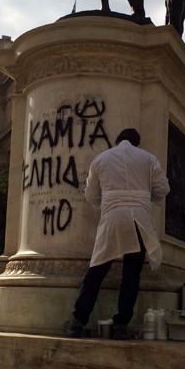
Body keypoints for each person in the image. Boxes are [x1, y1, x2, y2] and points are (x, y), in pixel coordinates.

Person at [63, 128, 170, 339]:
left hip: (112, 217)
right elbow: (163, 188)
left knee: (97, 270)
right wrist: (149, 200)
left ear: (117, 139)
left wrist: (105, 207)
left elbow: (91, 194)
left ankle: (78, 321)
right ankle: (121, 325)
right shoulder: (148, 158)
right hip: (140, 219)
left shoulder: (101, 159)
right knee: (131, 274)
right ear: (137, 143)